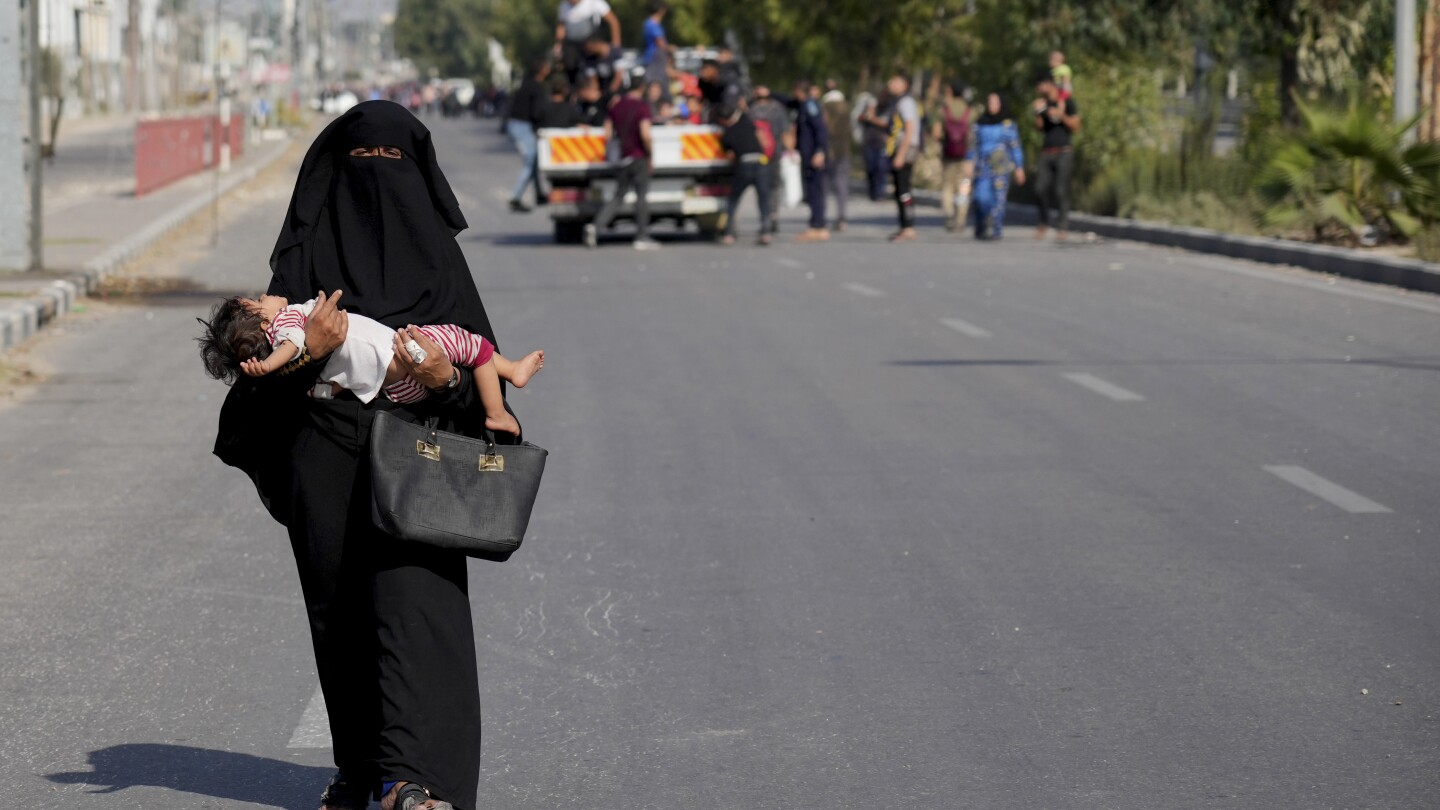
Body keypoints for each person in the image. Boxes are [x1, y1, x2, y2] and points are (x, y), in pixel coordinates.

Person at [211, 101, 518, 810]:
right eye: (360, 167)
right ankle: (361, 772)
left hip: (417, 459)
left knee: (419, 615)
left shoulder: (441, 270)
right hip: (323, 460)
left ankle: (421, 783)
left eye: (394, 166)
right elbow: (248, 397)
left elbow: (485, 385)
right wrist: (308, 357)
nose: (378, 187)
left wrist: (444, 382)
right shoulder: (293, 285)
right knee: (342, 620)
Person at [199, 292, 544, 437]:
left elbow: (317, 383)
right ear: (262, 321)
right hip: (401, 356)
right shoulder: (287, 322)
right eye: (260, 300)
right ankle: (505, 387)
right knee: (476, 347)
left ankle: (503, 387)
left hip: (395, 392)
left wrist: (448, 382)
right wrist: (278, 363)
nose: (266, 294)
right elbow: (292, 346)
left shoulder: (286, 332)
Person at [585, 67, 660, 250]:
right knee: (641, 197)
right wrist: (650, 155)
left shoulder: (616, 105)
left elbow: (608, 133)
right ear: (642, 86)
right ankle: (642, 236)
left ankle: (596, 226)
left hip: (622, 157)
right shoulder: (642, 107)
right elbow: (646, 135)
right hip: (639, 157)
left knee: (618, 196)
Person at [967, 92, 1025, 240]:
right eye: (990, 102)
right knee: (980, 197)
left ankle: (995, 227)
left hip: (1001, 167)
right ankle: (981, 225)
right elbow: (972, 145)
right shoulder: (980, 123)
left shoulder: (1008, 125)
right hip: (982, 167)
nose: (992, 105)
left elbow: (1015, 146)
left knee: (998, 199)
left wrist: (1019, 167)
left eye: (995, 102)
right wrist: (968, 162)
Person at [1032, 75, 1080, 240]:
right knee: (1039, 189)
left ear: (1051, 85)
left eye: (1042, 84)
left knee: (1061, 191)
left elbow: (1075, 126)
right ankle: (1044, 222)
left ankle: (1062, 227)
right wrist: (1038, 112)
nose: (1039, 88)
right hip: (1047, 151)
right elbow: (1039, 127)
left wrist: (1061, 115)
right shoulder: (1043, 103)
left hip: (1064, 151)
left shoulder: (1067, 102)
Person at [717, 104, 772, 246]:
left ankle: (729, 233)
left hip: (744, 164)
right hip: (761, 162)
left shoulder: (727, 134)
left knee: (734, 199)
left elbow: (730, 155)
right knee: (763, 199)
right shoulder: (746, 121)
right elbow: (761, 136)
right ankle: (766, 232)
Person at [506, 57, 550, 213]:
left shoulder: (526, 83)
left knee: (535, 160)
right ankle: (516, 198)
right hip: (521, 125)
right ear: (542, 70)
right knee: (530, 161)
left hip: (516, 124)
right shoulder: (537, 87)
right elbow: (537, 112)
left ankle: (539, 193)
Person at [882, 72, 921, 242]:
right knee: (899, 189)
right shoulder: (897, 102)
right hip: (899, 148)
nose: (891, 83)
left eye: (895, 81)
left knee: (904, 190)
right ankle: (903, 226)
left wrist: (901, 154)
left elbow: (910, 128)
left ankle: (909, 226)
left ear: (904, 84)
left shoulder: (906, 102)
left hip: (905, 149)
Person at [749, 86, 791, 235]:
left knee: (763, 188)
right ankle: (772, 215)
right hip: (774, 153)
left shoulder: (751, 110)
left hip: (757, 155)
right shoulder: (777, 109)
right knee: (773, 186)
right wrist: (791, 150)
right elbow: (786, 130)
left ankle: (766, 217)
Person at [933, 80, 974, 233]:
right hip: (966, 156)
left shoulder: (944, 110)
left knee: (947, 187)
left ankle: (949, 213)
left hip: (948, 154)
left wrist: (946, 139)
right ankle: (961, 219)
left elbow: (936, 133)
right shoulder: (970, 110)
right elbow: (972, 136)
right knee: (963, 187)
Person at [791, 80, 829, 242]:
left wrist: (820, 151)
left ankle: (817, 226)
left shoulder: (810, 106)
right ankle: (816, 224)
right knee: (812, 191)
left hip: (814, 155)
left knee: (815, 191)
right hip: (808, 155)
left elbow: (820, 129)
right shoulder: (803, 105)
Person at [554, 0, 621, 84]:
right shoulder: (564, 5)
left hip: (592, 43)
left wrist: (615, 46)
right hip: (573, 46)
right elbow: (561, 27)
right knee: (570, 67)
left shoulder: (594, 3)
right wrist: (558, 46)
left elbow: (613, 22)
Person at [820, 80, 851, 231]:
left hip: (829, 149)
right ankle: (841, 217)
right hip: (844, 149)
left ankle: (822, 218)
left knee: (824, 184)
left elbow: (824, 125)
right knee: (842, 184)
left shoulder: (826, 106)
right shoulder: (846, 107)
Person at [857, 88, 890, 201]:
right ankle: (872, 192)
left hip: (881, 143)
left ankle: (880, 193)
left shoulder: (886, 109)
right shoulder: (868, 109)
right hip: (869, 142)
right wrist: (866, 116)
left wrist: (872, 118)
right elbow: (859, 119)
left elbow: (885, 122)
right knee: (870, 168)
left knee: (881, 168)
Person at [641, 1, 671, 99]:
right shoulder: (653, 24)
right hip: (655, 57)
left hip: (651, 57)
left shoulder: (647, 23)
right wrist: (669, 49)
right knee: (656, 84)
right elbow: (660, 42)